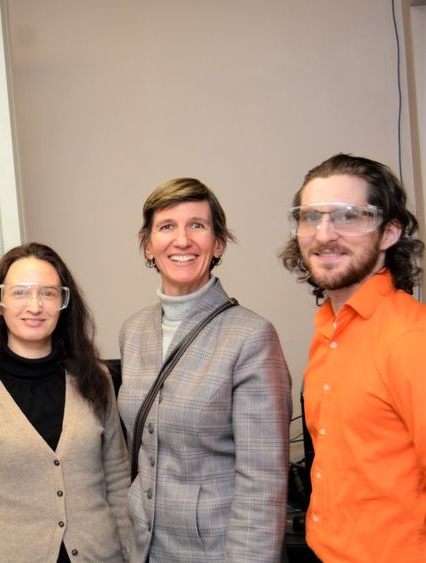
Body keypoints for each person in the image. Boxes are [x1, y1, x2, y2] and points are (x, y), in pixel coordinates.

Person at [118, 179, 292, 562]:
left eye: (197, 225)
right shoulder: (134, 331)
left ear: (218, 244)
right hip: (143, 550)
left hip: (214, 552)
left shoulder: (251, 336)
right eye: (166, 227)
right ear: (148, 245)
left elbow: (263, 483)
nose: (182, 240)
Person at [0, 242, 131, 562]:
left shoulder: (96, 378)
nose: (35, 306)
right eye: (20, 293)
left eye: (48, 293)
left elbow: (118, 481)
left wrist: (131, 554)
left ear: (63, 303)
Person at [281, 153, 426, 562]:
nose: (324, 234)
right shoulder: (329, 331)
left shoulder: (411, 339)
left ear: (389, 233)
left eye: (348, 216)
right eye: (311, 217)